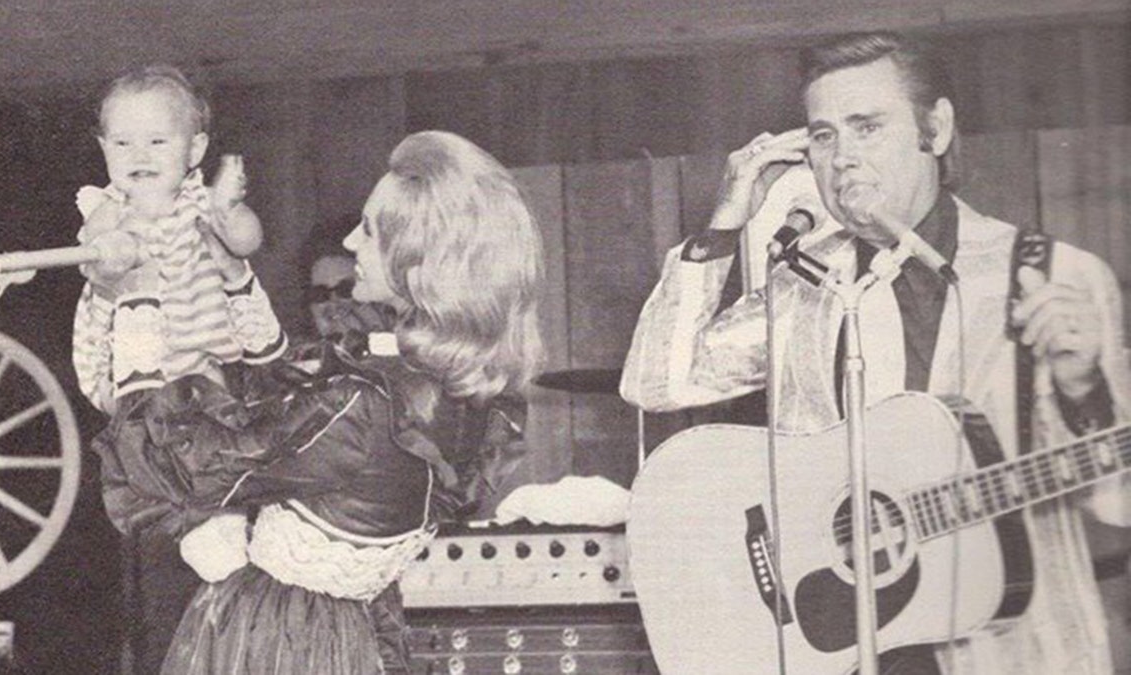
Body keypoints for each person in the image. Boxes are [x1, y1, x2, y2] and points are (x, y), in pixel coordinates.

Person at [621, 32, 1131, 673]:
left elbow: (1118, 502)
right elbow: (656, 382)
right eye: (824, 136)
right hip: (842, 650)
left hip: (1010, 652)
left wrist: (1087, 390)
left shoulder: (1052, 277)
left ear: (935, 129)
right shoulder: (803, 283)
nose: (841, 160)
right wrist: (722, 224)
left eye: (867, 127)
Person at [146, 130, 541, 673]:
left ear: (419, 263)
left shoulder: (365, 404)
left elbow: (193, 468)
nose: (352, 242)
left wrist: (139, 336)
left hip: (275, 641)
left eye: (370, 230)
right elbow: (296, 407)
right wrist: (237, 280)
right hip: (350, 636)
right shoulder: (471, 398)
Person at [72, 64, 288, 675]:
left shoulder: (199, 201)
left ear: (194, 150)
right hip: (151, 375)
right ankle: (205, 551)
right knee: (165, 470)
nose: (138, 155)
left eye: (157, 142)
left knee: (223, 464)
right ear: (103, 150)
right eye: (122, 142)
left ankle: (224, 559)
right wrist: (110, 243)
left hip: (212, 375)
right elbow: (98, 248)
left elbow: (246, 241)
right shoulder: (107, 205)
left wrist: (229, 210)